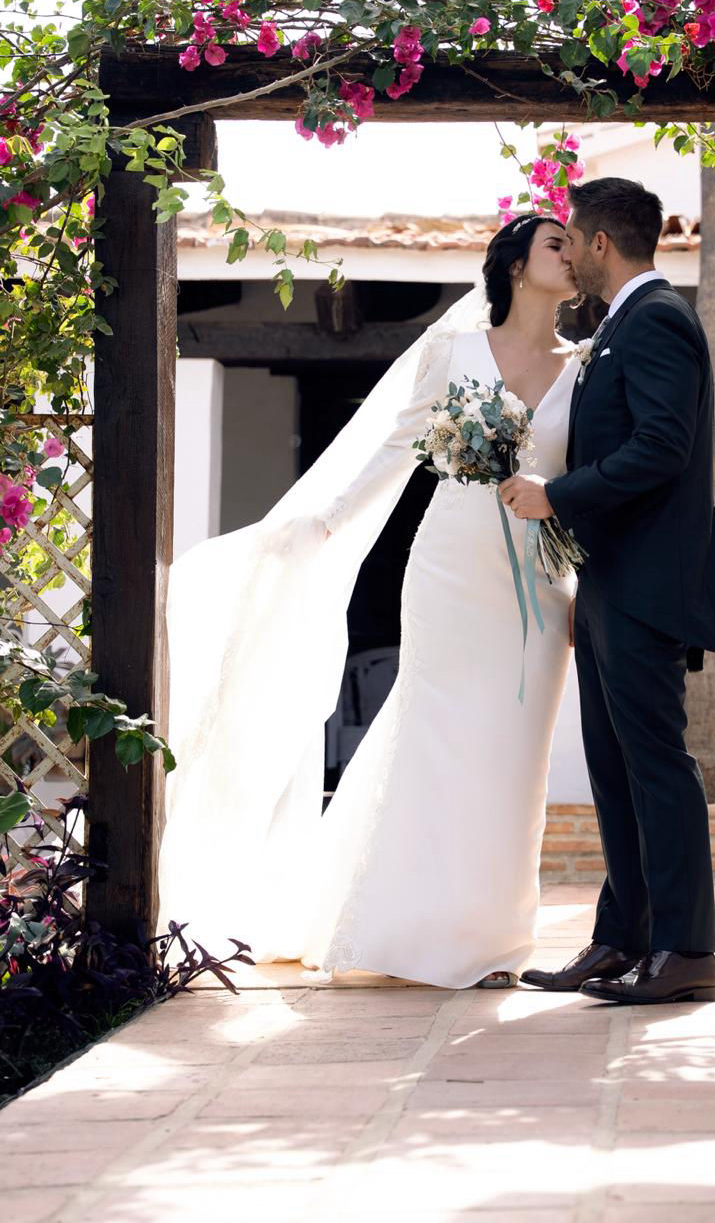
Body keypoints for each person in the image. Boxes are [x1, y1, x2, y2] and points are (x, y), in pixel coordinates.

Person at [156, 214, 580, 990]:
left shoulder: (584, 366)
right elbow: (396, 445)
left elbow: (590, 475)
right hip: (450, 565)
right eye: (557, 242)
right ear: (517, 265)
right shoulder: (452, 349)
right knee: (435, 739)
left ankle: (491, 939)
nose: (575, 253)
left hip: (539, 579)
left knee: (515, 757)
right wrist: (325, 518)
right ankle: (406, 928)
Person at [500, 177, 715, 1005]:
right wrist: (589, 574)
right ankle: (621, 939)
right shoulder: (624, 326)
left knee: (656, 765)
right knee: (619, 770)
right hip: (616, 580)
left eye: (574, 240)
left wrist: (558, 496)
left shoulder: (655, 321)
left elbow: (661, 447)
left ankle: (687, 952)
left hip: (651, 586)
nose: (571, 253)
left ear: (600, 245)